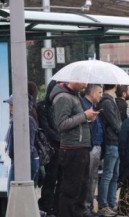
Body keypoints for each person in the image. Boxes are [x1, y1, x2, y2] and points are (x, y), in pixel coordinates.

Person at [50, 82, 99, 217]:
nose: (85, 84)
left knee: (81, 189)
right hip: (72, 149)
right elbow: (61, 124)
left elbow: (75, 120)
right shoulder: (64, 97)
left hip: (81, 148)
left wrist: (88, 118)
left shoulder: (75, 95)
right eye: (82, 80)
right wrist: (84, 116)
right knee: (71, 190)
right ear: (73, 79)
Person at [4, 95, 40, 193]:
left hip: (26, 161)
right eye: (10, 105)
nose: (10, 108)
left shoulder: (27, 120)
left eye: (12, 105)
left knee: (16, 193)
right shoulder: (15, 120)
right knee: (13, 193)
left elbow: (29, 145)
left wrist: (20, 161)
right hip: (19, 161)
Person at [37, 80, 61, 216]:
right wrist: (61, 138)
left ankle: (56, 206)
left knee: (61, 179)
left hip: (61, 147)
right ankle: (47, 206)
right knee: (50, 179)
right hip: (51, 149)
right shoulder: (43, 106)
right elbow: (46, 129)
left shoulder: (59, 105)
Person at [97, 84, 122, 216]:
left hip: (115, 142)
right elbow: (114, 122)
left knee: (114, 175)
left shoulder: (110, 100)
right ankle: (103, 204)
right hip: (112, 141)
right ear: (115, 85)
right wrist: (122, 132)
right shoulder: (107, 102)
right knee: (108, 174)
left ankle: (112, 202)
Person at [81, 84, 104, 216]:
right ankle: (86, 206)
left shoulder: (94, 106)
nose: (101, 95)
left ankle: (89, 206)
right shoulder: (85, 106)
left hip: (96, 144)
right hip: (90, 145)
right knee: (88, 177)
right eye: (99, 92)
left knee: (93, 177)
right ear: (92, 93)